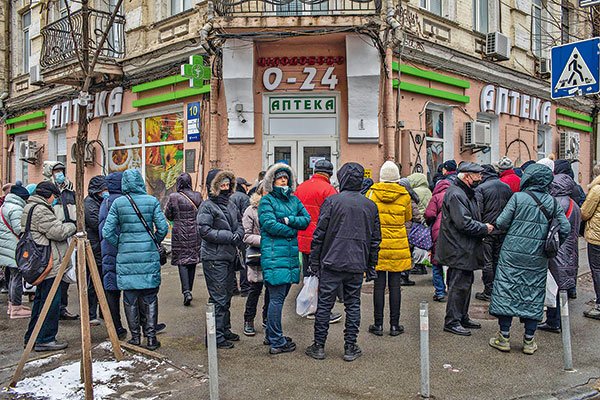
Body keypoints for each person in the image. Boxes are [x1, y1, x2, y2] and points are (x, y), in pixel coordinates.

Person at [489, 164, 570, 354]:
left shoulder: (518, 197)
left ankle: (504, 337)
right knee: (532, 294)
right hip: (538, 256)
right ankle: (528, 341)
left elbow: (501, 222)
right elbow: (564, 228)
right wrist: (551, 246)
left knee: (507, 291)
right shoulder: (551, 202)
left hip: (512, 254)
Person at [305, 162, 381, 361]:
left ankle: (319, 346)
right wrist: (371, 265)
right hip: (356, 262)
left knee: (324, 305)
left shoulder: (332, 202)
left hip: (332, 260)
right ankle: (350, 346)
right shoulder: (370, 205)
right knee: (353, 304)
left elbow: (319, 234)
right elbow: (375, 240)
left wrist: (314, 262)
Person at [102, 169, 169, 350]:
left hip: (126, 257)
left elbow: (107, 232)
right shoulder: (152, 201)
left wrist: (121, 243)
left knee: (130, 298)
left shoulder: (118, 203)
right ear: (140, 181)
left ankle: (135, 338)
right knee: (150, 297)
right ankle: (152, 339)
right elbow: (163, 228)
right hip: (148, 256)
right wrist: (153, 240)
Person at [259, 163, 310, 354]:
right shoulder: (267, 201)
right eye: (280, 177)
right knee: (276, 298)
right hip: (274, 257)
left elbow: (305, 220)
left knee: (277, 298)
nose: (283, 180)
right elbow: (269, 225)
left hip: (288, 257)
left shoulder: (294, 200)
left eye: (286, 178)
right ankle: (276, 341)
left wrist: (288, 221)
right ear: (273, 181)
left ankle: (272, 335)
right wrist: (292, 231)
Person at [438, 162, 493, 336]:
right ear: (467, 176)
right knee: (458, 285)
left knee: (465, 284)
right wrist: (484, 228)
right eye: (477, 175)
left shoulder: (466, 193)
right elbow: (463, 222)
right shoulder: (456, 194)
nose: (480, 178)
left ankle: (462, 316)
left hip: (465, 247)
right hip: (458, 247)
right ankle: (452, 321)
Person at [23, 181, 76, 351]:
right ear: (48, 195)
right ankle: (45, 338)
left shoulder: (30, 206)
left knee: (41, 301)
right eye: (54, 196)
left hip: (39, 261)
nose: (55, 200)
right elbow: (58, 232)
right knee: (50, 301)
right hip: (48, 262)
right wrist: (71, 226)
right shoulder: (41, 210)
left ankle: (33, 336)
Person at [197, 169, 245, 349]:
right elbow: (204, 231)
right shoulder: (207, 206)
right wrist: (227, 235)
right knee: (218, 298)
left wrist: (238, 234)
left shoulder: (231, 204)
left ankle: (224, 329)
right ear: (214, 187)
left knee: (226, 296)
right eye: (221, 185)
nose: (225, 188)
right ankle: (215, 337)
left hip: (229, 256)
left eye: (227, 184)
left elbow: (240, 223)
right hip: (214, 257)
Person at [365, 161, 412, 337]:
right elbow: (408, 217)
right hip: (398, 245)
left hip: (378, 245)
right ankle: (394, 325)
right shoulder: (404, 195)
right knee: (395, 286)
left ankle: (378, 324)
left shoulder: (372, 193)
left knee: (378, 286)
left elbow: (369, 216)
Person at [295, 159, 342, 323]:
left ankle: (308, 306)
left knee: (308, 274)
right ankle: (322, 311)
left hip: (303, 238)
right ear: (329, 174)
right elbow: (335, 217)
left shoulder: (301, 188)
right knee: (323, 277)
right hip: (322, 240)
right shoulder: (329, 190)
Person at [537, 172, 581, 332]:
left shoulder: (554, 203)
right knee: (562, 285)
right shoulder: (573, 204)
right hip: (569, 251)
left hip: (556, 251)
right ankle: (558, 319)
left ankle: (553, 321)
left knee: (553, 285)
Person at [43, 161, 78, 321]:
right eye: (56, 171)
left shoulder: (69, 190)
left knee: (66, 270)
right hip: (54, 235)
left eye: (61, 170)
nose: (59, 174)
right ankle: (53, 308)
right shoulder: (47, 190)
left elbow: (75, 209)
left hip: (69, 232)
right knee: (56, 271)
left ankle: (62, 307)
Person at [474, 165, 513, 302]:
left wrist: (479, 228)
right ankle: (498, 290)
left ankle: (488, 290)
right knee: (498, 260)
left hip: (487, 230)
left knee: (487, 261)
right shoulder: (506, 187)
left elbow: (478, 211)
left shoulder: (481, 189)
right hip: (503, 229)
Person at [164, 173, 202, 306]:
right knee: (192, 261)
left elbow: (168, 215)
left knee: (182, 262)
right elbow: (201, 213)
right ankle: (189, 289)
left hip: (179, 232)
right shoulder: (197, 196)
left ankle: (186, 291)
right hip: (194, 232)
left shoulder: (174, 197)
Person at [98, 172, 128, 340]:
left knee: (112, 289)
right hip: (121, 250)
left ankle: (115, 326)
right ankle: (135, 326)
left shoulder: (105, 202)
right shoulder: (122, 202)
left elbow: (103, 229)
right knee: (131, 289)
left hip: (108, 250)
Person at [241, 182, 270, 336]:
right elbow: (245, 235)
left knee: (271, 291)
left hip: (273, 255)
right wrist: (264, 240)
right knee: (255, 289)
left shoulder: (277, 208)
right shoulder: (251, 210)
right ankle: (248, 320)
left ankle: (267, 320)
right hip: (257, 255)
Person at [1, 183, 31, 319]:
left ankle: (12, 305)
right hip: (14, 246)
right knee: (17, 276)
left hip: (7, 245)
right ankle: (16, 308)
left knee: (12, 276)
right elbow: (19, 229)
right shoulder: (16, 209)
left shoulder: (6, 205)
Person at [84, 175, 108, 326]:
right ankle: (91, 313)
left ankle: (102, 311)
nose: (106, 192)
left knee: (102, 282)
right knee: (93, 282)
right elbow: (96, 223)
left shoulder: (101, 201)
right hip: (94, 247)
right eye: (104, 189)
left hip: (100, 247)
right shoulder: (89, 203)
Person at [425, 179, 451, 302]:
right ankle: (452, 290)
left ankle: (440, 292)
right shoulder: (455, 195)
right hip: (453, 231)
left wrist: (430, 223)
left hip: (438, 231)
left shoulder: (435, 197)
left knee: (436, 264)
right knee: (453, 263)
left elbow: (429, 214)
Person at [581, 164, 600, 320]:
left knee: (597, 270)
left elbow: (585, 213)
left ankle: (599, 304)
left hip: (597, 236)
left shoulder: (596, 190)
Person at [230, 176, 252, 297]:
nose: (247, 188)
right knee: (244, 260)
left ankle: (233, 287)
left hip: (231, 233)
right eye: (246, 185)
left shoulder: (229, 197)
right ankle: (245, 287)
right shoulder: (245, 198)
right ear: (241, 186)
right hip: (242, 232)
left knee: (233, 260)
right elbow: (246, 216)